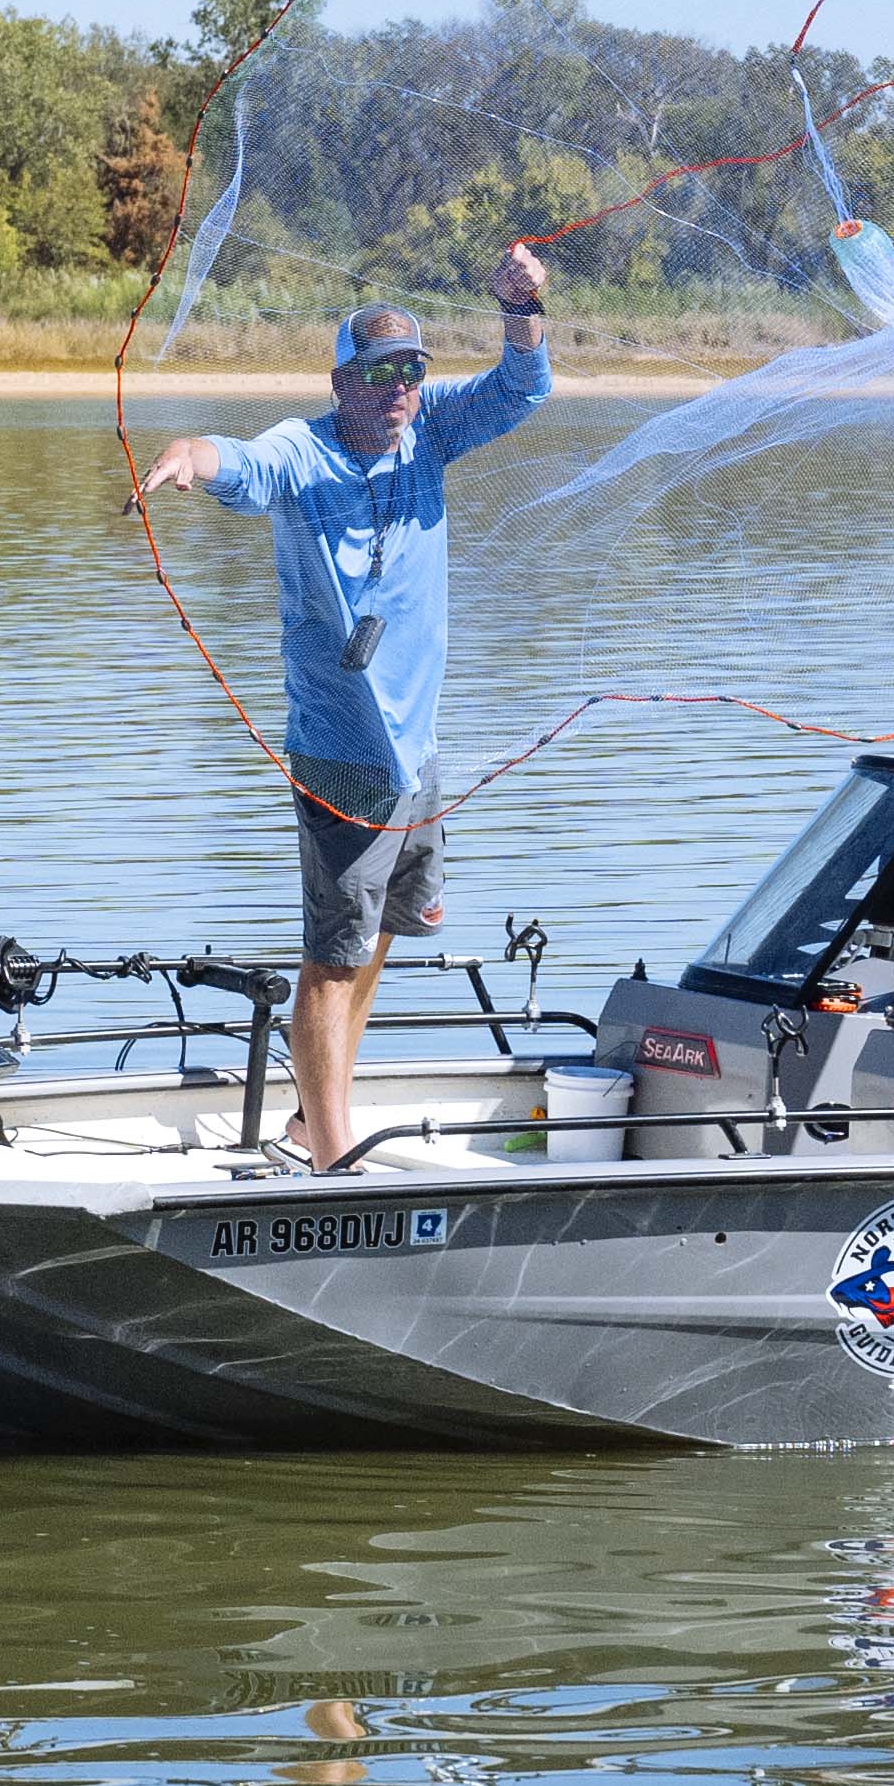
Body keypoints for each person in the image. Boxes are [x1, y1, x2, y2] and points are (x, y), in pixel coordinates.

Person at [121, 248, 551, 1162]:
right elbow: (234, 459)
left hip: (418, 750)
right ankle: (331, 1159)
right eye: (380, 373)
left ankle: (316, 1113)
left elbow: (521, 389)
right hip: (341, 752)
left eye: (412, 371)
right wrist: (183, 457)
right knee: (330, 958)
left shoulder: (432, 430)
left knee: (382, 936)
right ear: (341, 380)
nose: (399, 389)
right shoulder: (303, 452)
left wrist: (523, 308)